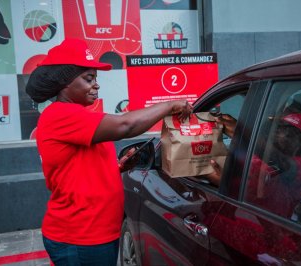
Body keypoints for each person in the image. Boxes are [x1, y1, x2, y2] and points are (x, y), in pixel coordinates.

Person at [25, 38, 192, 265]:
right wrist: (170, 106)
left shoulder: (78, 116)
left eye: (96, 78)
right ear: (64, 83)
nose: (96, 85)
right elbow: (126, 125)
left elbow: (77, 167)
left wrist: (119, 166)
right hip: (81, 237)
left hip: (95, 233)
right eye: (88, 78)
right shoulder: (61, 115)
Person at [207, 112, 301, 219]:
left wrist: (243, 133)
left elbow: (279, 161)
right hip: (234, 215)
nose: (280, 133)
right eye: (279, 128)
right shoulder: (255, 154)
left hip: (264, 225)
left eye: (290, 132)